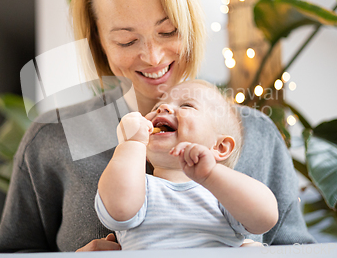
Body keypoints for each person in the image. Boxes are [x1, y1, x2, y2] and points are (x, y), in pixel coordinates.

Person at [0, 0, 315, 253]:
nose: (154, 57)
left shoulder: (256, 134)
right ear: (99, 43)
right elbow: (10, 253)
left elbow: (301, 250)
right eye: (127, 41)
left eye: (168, 31)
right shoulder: (51, 139)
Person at [96, 80, 279, 250]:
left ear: (220, 147)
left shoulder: (223, 194)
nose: (163, 108)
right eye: (156, 107)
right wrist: (131, 144)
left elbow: (265, 218)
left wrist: (211, 175)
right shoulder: (137, 188)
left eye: (186, 105)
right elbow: (118, 210)